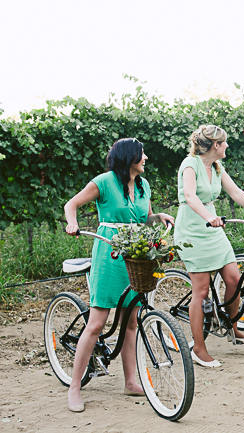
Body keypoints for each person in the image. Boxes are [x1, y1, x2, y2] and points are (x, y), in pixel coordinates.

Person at [63, 138, 174, 412]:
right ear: (129, 158)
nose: (146, 157)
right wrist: (72, 223)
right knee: (97, 322)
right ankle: (75, 387)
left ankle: (130, 381)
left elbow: (142, 217)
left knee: (131, 321)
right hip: (110, 252)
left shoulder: (143, 185)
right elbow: (71, 204)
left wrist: (158, 216)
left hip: (135, 252)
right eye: (142, 154)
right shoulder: (103, 182)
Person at [174, 125, 244, 368]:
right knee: (202, 291)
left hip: (213, 229)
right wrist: (208, 216)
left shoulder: (217, 166)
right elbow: (190, 196)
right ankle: (198, 348)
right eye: (224, 143)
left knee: (233, 279)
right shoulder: (190, 164)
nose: (227, 146)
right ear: (215, 146)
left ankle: (232, 327)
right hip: (193, 229)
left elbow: (235, 191)